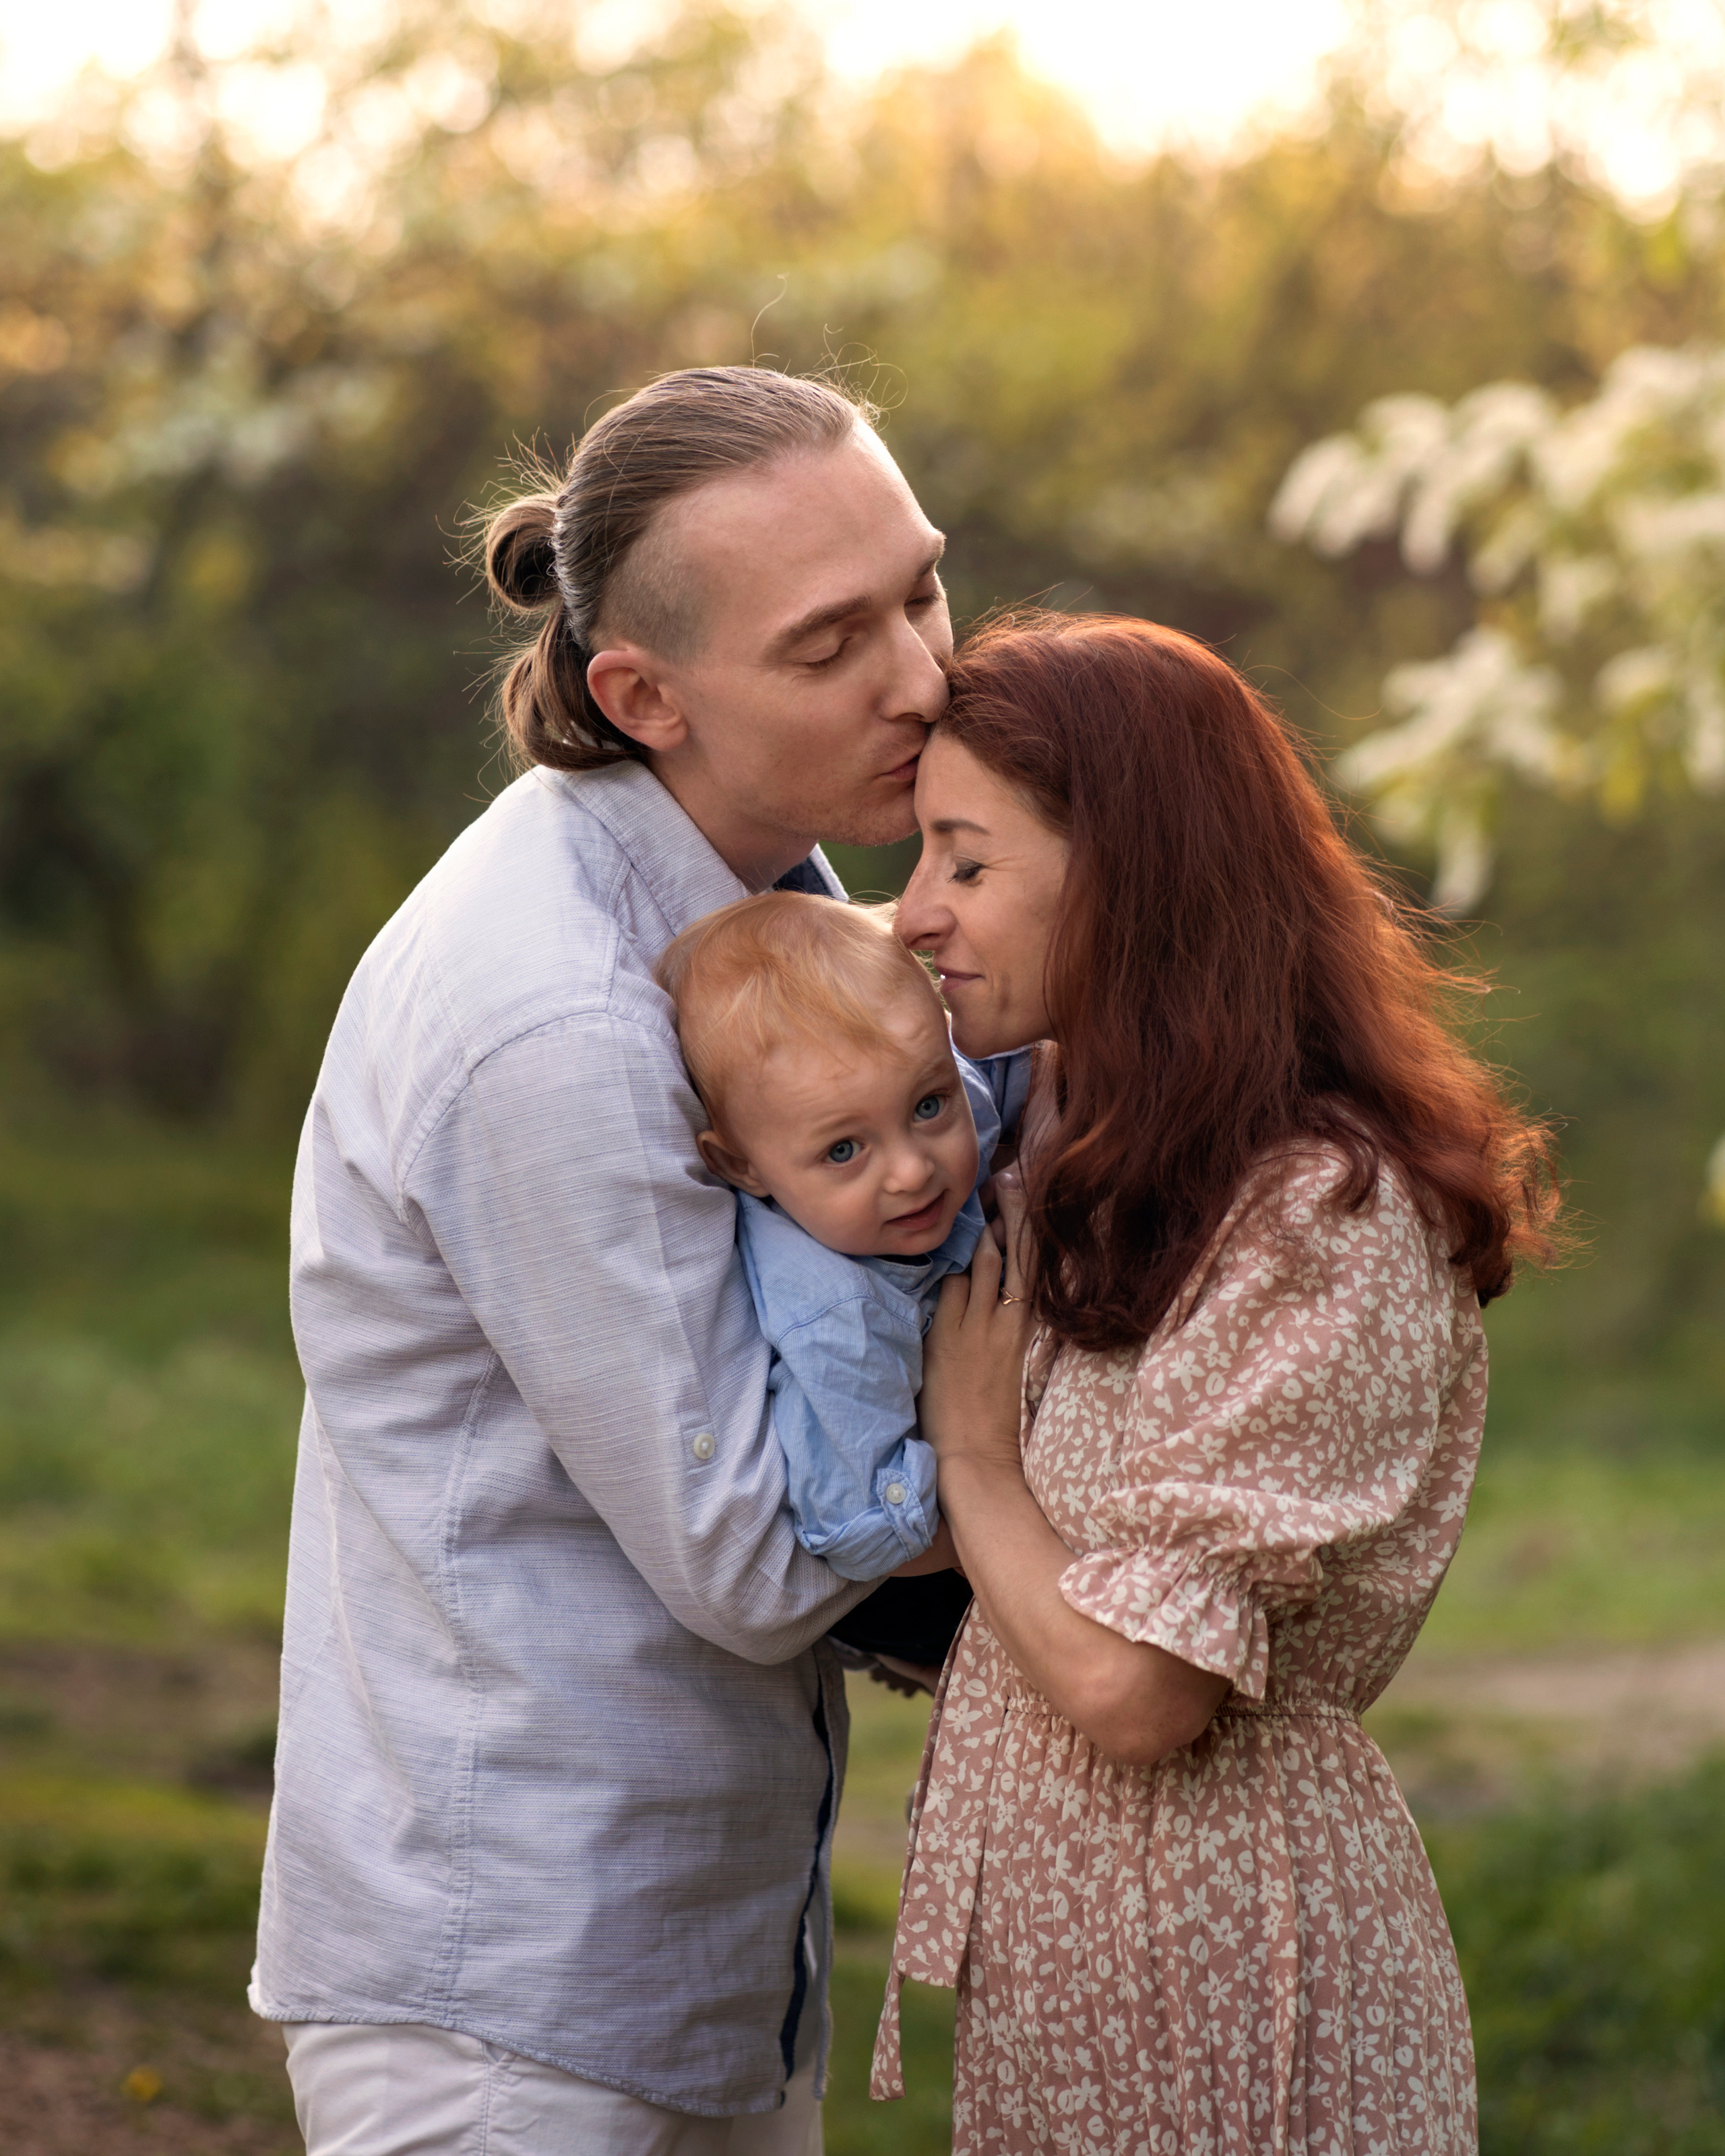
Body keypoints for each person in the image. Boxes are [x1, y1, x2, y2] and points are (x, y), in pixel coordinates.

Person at [250, 365, 958, 2155]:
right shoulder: (558, 1014)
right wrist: (1101, 1495)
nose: (920, 677)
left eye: (922, 592)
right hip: (517, 2013)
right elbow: (755, 1554)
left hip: (696, 1966)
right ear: (645, 696)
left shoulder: (771, 923)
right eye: (830, 644)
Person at [873, 611, 1559, 2153]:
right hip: (1080, 1981)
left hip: (1226, 1964)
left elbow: (1136, 1691)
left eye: (962, 862)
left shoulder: (1319, 1211)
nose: (911, 912)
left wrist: (973, 1458)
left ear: (1128, 874)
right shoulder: (1084, 1144)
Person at [653, 891, 998, 1582]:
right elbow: (868, 1538)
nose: (912, 1170)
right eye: (844, 1150)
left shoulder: (917, 1088)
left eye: (928, 1105)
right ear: (742, 1167)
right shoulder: (842, 1325)